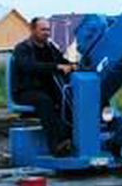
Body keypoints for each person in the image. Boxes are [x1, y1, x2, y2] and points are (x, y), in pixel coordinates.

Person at [11, 17, 75, 155]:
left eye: (48, 30)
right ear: (33, 30)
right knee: (45, 102)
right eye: (43, 29)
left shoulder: (50, 48)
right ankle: (57, 145)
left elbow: (62, 61)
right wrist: (56, 67)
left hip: (46, 90)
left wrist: (73, 65)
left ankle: (70, 139)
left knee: (69, 100)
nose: (47, 33)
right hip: (26, 91)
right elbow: (29, 67)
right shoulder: (22, 48)